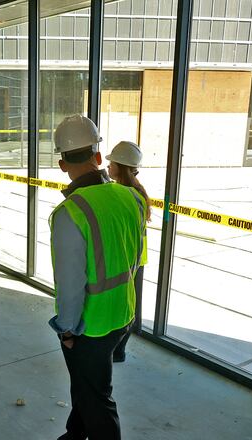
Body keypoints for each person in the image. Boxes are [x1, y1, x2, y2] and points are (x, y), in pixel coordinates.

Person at [49, 115, 145, 440]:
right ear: (99, 156)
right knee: (88, 383)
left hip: (91, 326)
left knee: (97, 396)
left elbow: (70, 287)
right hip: (124, 313)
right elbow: (136, 256)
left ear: (63, 164)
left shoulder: (69, 213)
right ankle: (75, 433)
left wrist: (66, 329)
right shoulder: (130, 198)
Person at [106, 141, 151, 363]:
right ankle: (118, 350)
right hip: (134, 257)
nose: (107, 167)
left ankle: (118, 350)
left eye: (111, 163)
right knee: (129, 302)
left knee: (126, 305)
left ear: (120, 166)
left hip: (127, 258)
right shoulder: (135, 192)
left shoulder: (123, 194)